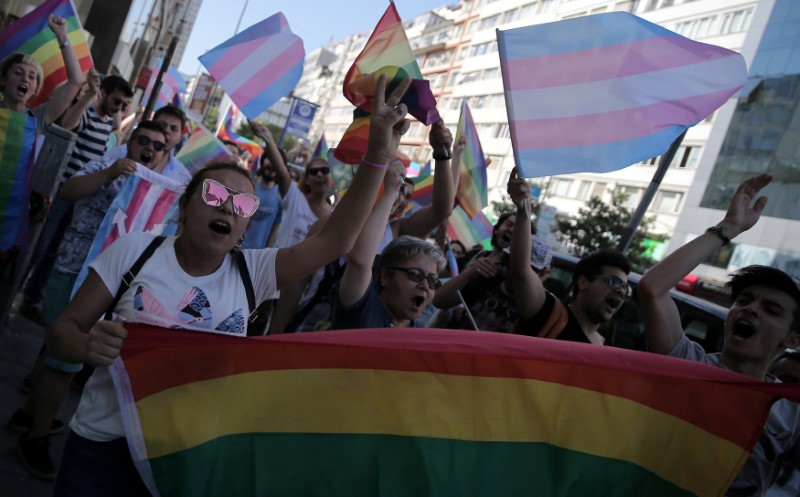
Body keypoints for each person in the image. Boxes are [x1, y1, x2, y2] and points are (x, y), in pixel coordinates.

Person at [44, 74, 411, 496]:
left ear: (245, 226)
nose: (229, 208)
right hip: (102, 447)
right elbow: (61, 334)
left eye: (243, 204)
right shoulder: (135, 251)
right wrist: (87, 347)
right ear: (185, 206)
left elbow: (336, 241)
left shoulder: (253, 272)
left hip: (190, 455)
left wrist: (378, 156)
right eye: (216, 194)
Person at [13, 121, 169, 479]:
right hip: (71, 269)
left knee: (54, 354)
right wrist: (110, 172)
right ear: (130, 141)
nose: (149, 148)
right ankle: (35, 438)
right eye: (143, 140)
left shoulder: (157, 193)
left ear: (164, 154)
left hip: (105, 285)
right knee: (65, 358)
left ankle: (29, 414)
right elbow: (66, 190)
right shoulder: (108, 163)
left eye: (158, 145)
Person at [638, 174, 799, 495]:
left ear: (792, 339)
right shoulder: (687, 364)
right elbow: (652, 288)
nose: (750, 309)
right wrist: (730, 227)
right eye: (744, 300)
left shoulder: (791, 411)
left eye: (771, 309)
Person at [19, 71, 133, 323]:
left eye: (124, 105)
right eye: (117, 101)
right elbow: (68, 123)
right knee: (38, 247)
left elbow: (116, 127)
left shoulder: (106, 125)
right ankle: (14, 292)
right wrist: (90, 96)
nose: (120, 108)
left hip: (80, 199)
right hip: (60, 193)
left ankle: (31, 299)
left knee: (53, 253)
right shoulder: (88, 114)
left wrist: (115, 111)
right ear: (103, 94)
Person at [505, 168, 631, 343]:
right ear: (583, 282)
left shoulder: (606, 352)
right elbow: (521, 270)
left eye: (626, 289)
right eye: (614, 282)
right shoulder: (547, 312)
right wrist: (523, 210)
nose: (620, 291)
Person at [0, 15, 84, 262]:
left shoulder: (37, 119)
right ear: (4, 80)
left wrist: (63, 37)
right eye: (18, 72)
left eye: (32, 77)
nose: (25, 79)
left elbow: (76, 81)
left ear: (35, 90)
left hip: (6, 218)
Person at [330, 159, 445, 329]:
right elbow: (360, 261)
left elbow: (443, 210)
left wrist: (446, 155)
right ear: (384, 276)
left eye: (433, 281)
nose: (425, 286)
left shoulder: (419, 335)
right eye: (414, 274)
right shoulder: (361, 306)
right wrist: (391, 191)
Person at [103, 105, 192, 185]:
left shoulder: (182, 177)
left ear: (180, 138)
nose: (167, 131)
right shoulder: (120, 153)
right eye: (162, 124)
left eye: (174, 129)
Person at [241, 148, 284, 249]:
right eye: (270, 159)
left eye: (276, 162)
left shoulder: (281, 196)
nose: (272, 164)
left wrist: (266, 252)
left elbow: (276, 227)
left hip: (257, 256)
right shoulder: (248, 185)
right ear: (263, 160)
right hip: (235, 249)